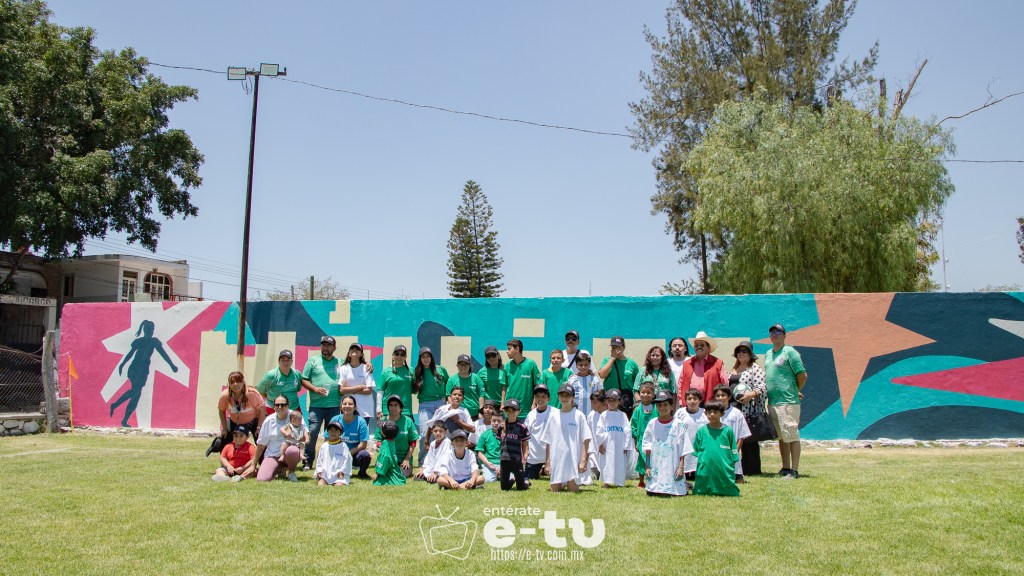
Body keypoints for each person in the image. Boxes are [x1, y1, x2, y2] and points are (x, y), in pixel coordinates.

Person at [110, 319, 178, 427]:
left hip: (143, 370)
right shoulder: (140, 341)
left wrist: (172, 365)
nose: (151, 331)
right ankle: (120, 414)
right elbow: (130, 354)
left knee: (135, 394)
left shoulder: (154, 341)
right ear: (146, 330)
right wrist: (122, 363)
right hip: (135, 369)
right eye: (150, 329)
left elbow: (163, 354)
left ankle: (117, 408)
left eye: (152, 329)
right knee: (136, 393)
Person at [764, 324, 807, 479]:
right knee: (782, 436)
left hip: (788, 401)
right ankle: (785, 467)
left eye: (777, 332)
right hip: (773, 402)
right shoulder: (769, 354)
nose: (774, 334)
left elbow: (802, 375)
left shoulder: (790, 352)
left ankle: (794, 470)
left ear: (784, 335)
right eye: (771, 332)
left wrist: (796, 390)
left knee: (792, 434)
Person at [542, 385, 593, 493]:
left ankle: (568, 483)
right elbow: (548, 441)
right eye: (562, 395)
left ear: (573, 397)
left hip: (572, 459)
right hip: (557, 459)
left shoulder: (579, 416)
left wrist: (583, 460)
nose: (564, 398)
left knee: (573, 490)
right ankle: (561, 484)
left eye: (567, 396)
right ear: (558, 397)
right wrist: (547, 463)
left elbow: (586, 439)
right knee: (554, 491)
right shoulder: (553, 416)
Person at [301, 336, 341, 470]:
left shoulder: (340, 362)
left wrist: (368, 364)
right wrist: (315, 389)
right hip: (316, 406)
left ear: (334, 348)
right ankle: (308, 460)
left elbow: (356, 364)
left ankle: (328, 460)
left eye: (329, 345)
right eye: (323, 345)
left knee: (332, 434)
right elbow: (304, 380)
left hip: (334, 405)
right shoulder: (313, 361)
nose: (325, 348)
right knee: (312, 432)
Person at [642, 390, 692, 497]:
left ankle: (681, 487)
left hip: (673, 462)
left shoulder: (678, 424)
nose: (662, 408)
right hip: (656, 461)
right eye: (659, 405)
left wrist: (681, 467)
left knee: (675, 491)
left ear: (672, 406)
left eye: (665, 405)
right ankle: (655, 488)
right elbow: (647, 445)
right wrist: (647, 465)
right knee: (653, 492)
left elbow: (684, 448)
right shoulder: (652, 423)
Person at [729, 341, 767, 476]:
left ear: (751, 354)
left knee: (749, 440)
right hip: (734, 409)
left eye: (745, 351)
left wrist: (751, 394)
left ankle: (752, 469)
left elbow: (762, 387)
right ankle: (735, 467)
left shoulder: (755, 369)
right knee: (735, 438)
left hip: (747, 409)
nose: (741, 353)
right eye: (739, 351)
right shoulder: (734, 369)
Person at [692, 400, 740, 496]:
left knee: (725, 480)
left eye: (715, 412)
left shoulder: (728, 431)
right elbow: (696, 450)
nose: (712, 415)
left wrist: (730, 465)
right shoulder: (701, 431)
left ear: (722, 414)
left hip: (724, 468)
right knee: (704, 478)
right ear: (705, 413)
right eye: (709, 412)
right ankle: (702, 490)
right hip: (705, 467)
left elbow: (734, 452)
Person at [413, 347, 450, 467]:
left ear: (431, 357)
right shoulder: (417, 372)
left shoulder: (440, 369)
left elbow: (448, 385)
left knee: (442, 433)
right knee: (425, 434)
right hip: (425, 404)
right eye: (423, 357)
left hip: (441, 403)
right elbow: (413, 389)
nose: (426, 359)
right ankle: (423, 462)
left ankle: (442, 461)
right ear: (420, 359)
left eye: (428, 356)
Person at [255, 396, 303, 482]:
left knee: (292, 450)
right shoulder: (268, 420)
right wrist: (253, 465)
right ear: (274, 407)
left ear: (288, 406)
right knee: (262, 479)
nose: (280, 407)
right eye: (277, 405)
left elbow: (305, 436)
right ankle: (279, 468)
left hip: (290, 452)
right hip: (273, 454)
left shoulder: (296, 416)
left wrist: (294, 437)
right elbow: (261, 444)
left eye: (283, 405)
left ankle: (291, 472)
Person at [338, 343, 377, 439]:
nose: (354, 351)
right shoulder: (343, 368)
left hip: (364, 409)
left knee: (360, 435)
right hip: (348, 406)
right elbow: (342, 390)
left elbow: (368, 390)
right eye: (352, 349)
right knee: (347, 435)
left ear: (361, 354)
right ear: (349, 354)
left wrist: (350, 389)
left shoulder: (366, 368)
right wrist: (360, 386)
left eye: (357, 350)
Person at [713, 385, 751, 482]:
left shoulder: (736, 413)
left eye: (723, 395)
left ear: (729, 397)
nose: (721, 398)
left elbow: (742, 436)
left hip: (732, 453)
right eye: (718, 396)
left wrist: (735, 452)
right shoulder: (712, 414)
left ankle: (738, 475)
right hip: (717, 452)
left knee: (737, 480)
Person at [677, 331, 728, 405]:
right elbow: (680, 384)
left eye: (702, 345)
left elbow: (724, 383)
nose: (699, 347)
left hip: (711, 403)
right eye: (696, 345)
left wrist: (722, 401)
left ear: (708, 347)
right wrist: (681, 401)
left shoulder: (717, 363)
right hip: (690, 403)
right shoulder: (687, 364)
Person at [328, 395, 372, 479]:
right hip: (337, 453)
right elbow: (327, 440)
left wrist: (348, 453)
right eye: (344, 404)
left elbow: (363, 444)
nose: (347, 406)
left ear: (355, 407)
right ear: (341, 406)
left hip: (353, 454)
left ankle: (362, 473)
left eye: (350, 404)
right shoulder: (335, 419)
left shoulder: (361, 421)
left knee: (365, 455)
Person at [373, 395, 418, 477]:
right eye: (391, 405)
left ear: (401, 408)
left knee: (402, 474)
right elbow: (378, 441)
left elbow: (413, 442)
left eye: (396, 405)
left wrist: (407, 459)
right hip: (388, 457)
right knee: (383, 474)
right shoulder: (383, 421)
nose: (393, 407)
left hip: (403, 458)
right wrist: (385, 449)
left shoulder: (408, 421)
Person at [216, 371, 266, 444]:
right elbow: (221, 411)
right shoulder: (225, 395)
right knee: (223, 441)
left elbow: (262, 410)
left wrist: (259, 428)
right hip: (234, 420)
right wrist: (224, 429)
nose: (235, 384)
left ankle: (261, 455)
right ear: (229, 384)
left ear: (243, 383)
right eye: (232, 382)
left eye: (238, 381)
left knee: (261, 441)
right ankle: (226, 455)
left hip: (253, 420)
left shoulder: (252, 393)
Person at [595, 389, 631, 487]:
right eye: (609, 400)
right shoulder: (603, 415)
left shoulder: (622, 415)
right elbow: (599, 430)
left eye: (614, 400)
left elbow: (628, 431)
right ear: (606, 401)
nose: (612, 403)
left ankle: (619, 482)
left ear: (619, 402)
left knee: (620, 463)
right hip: (607, 444)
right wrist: (600, 444)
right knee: (607, 462)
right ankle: (607, 482)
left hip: (619, 444)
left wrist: (626, 446)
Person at [597, 336, 640, 416]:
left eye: (618, 347)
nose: (615, 349)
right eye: (613, 347)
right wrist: (612, 359)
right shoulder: (607, 360)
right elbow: (602, 375)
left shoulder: (631, 363)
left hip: (626, 400)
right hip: (611, 399)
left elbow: (637, 383)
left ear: (623, 347)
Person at [674, 388, 708, 481]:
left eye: (695, 399)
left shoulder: (705, 413)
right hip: (684, 445)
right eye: (689, 399)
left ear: (700, 400)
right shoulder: (680, 413)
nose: (692, 401)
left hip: (700, 446)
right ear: (685, 400)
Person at [503, 339, 541, 417]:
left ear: (517, 349)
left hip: (526, 411)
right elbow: (504, 386)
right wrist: (502, 404)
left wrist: (534, 404)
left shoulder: (531, 364)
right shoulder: (507, 366)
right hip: (509, 410)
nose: (507, 351)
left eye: (509, 349)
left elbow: (537, 386)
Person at [630, 380, 657, 488]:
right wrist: (636, 441)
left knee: (654, 459)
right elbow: (634, 425)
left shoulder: (656, 408)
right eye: (643, 392)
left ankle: (654, 479)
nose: (645, 395)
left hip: (655, 438)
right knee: (642, 460)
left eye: (648, 393)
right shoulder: (637, 409)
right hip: (641, 439)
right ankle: (641, 481)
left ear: (653, 394)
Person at [497, 400, 530, 491]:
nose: (510, 413)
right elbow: (500, 445)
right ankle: (513, 479)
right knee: (504, 488)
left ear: (518, 411)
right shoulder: (501, 427)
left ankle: (525, 482)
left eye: (513, 410)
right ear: (505, 411)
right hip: (504, 459)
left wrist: (525, 454)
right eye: (508, 410)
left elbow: (525, 443)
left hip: (517, 459)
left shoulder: (522, 427)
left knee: (521, 488)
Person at [524, 384, 553, 480]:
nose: (540, 399)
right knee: (529, 477)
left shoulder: (555, 413)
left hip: (552, 457)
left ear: (549, 398)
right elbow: (525, 436)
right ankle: (540, 470)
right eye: (537, 396)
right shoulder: (531, 415)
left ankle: (545, 469)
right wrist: (526, 452)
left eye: (543, 396)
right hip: (534, 457)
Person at [377, 345, 414, 421]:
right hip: (389, 410)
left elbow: (414, 389)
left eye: (402, 355)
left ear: (405, 357)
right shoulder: (386, 371)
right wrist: (378, 409)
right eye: (397, 354)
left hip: (406, 410)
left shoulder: (411, 370)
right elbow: (380, 391)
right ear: (392, 356)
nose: (399, 357)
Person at [446, 354, 485, 419]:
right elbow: (449, 397)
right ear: (457, 365)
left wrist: (481, 412)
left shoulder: (476, 378)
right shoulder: (451, 380)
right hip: (458, 414)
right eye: (461, 364)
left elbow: (481, 395)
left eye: (465, 364)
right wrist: (452, 412)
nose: (463, 366)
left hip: (475, 414)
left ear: (469, 366)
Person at [315, 420, 352, 487]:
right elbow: (319, 459)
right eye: (331, 430)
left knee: (339, 485)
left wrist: (342, 471)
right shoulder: (324, 446)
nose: (333, 433)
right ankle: (325, 480)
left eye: (336, 430)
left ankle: (339, 481)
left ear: (340, 433)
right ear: (328, 432)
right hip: (326, 473)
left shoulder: (343, 446)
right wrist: (319, 470)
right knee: (321, 484)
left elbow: (347, 460)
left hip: (339, 473)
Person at [373, 420, 406, 486]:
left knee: (377, 483)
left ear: (383, 433)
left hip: (388, 474)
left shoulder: (385, 444)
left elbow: (384, 459)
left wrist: (377, 473)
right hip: (395, 470)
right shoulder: (392, 441)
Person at [475, 411, 504, 484]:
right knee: (489, 480)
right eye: (494, 420)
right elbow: (479, 452)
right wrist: (487, 463)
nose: (496, 423)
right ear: (491, 421)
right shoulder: (484, 435)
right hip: (489, 463)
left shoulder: (508, 435)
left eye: (499, 421)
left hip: (504, 463)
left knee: (510, 479)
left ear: (503, 421)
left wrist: (502, 465)